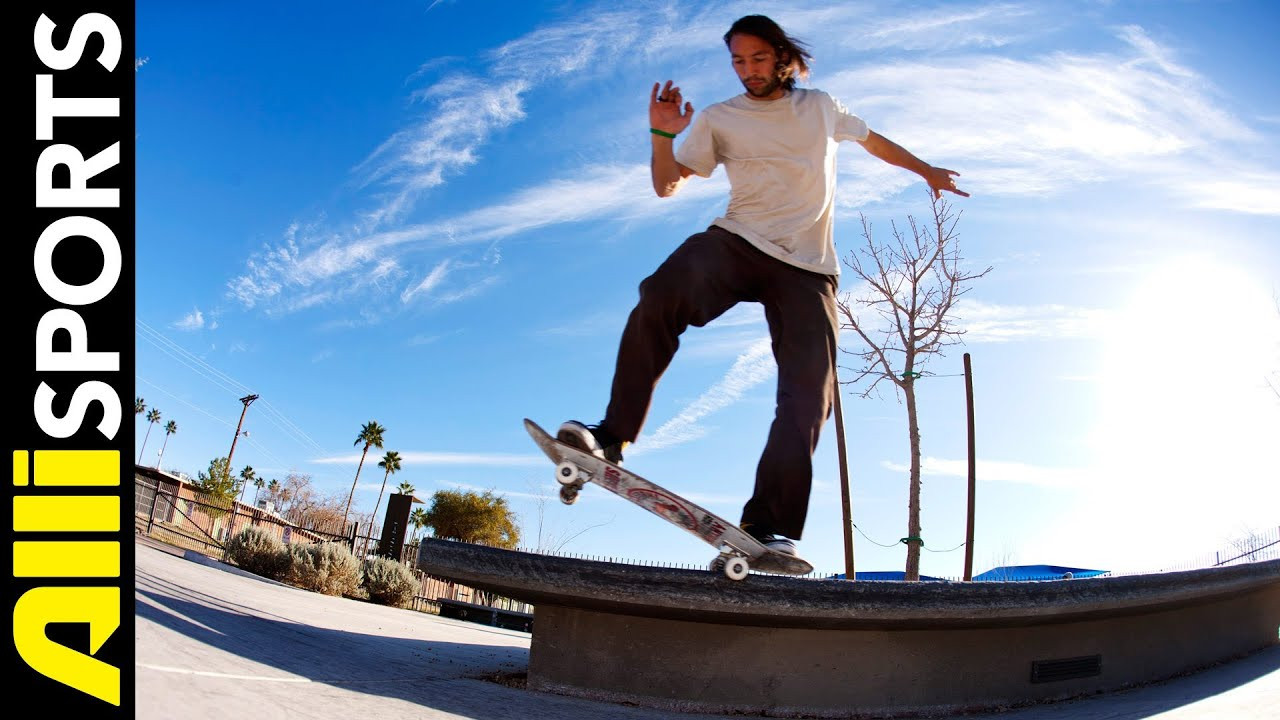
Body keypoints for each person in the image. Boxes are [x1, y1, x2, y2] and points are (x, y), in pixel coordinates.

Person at [559, 14, 968, 561]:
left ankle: (768, 528)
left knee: (810, 396)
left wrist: (926, 171)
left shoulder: (820, 108)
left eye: (756, 59)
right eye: (737, 61)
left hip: (809, 268)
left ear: (781, 57)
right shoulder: (719, 118)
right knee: (660, 293)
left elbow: (875, 142)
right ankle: (611, 436)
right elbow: (666, 184)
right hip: (737, 242)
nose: (747, 71)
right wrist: (662, 133)